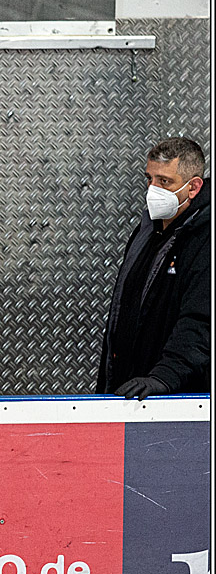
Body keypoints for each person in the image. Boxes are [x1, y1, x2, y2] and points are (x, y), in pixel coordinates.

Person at [97, 137, 210, 399]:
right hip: (133, 392)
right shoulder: (148, 230)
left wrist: (164, 377)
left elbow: (201, 321)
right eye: (149, 178)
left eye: (165, 181)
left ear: (193, 187)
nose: (152, 189)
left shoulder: (206, 240)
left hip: (179, 400)